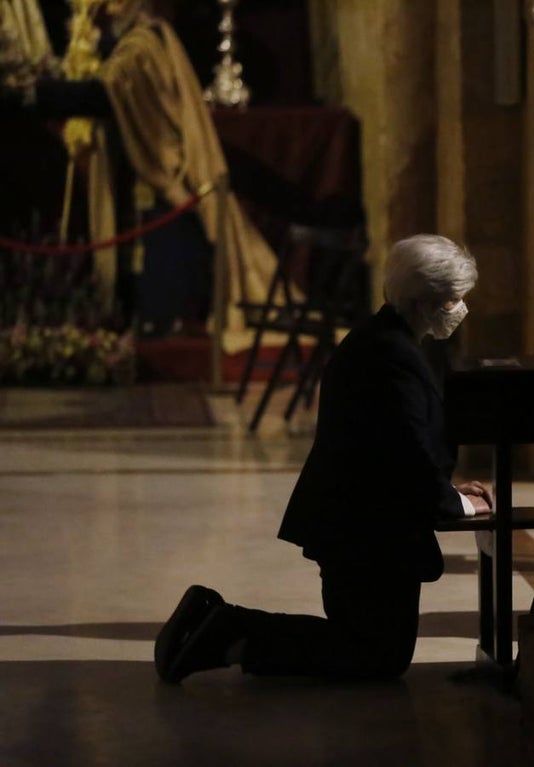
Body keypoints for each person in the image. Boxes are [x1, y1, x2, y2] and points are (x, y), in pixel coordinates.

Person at [153, 234, 492, 683]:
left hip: (359, 524)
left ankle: (222, 623)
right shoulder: (392, 356)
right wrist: (458, 505)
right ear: (426, 300)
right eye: (453, 300)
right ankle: (229, 634)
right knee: (374, 655)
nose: (458, 310)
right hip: (364, 533)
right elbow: (406, 452)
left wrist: (446, 491)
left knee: (372, 648)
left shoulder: (382, 340)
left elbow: (386, 449)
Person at [1, 0, 278, 342]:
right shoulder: (129, 44)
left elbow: (104, 94)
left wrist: (32, 96)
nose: (104, 11)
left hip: (165, 168)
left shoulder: (145, 44)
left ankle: (168, 322)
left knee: (164, 257)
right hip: (139, 165)